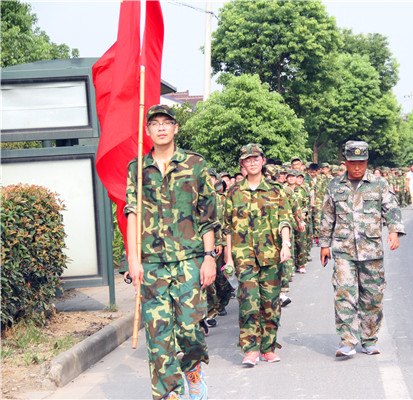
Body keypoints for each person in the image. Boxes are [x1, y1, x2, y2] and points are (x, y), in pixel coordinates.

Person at [125, 105, 217, 400]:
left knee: (190, 329)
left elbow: (207, 215)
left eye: (167, 122)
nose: (161, 127)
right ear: (148, 130)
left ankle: (193, 370)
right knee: (159, 336)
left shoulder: (195, 164)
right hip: (152, 264)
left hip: (190, 260)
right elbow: (132, 213)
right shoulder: (137, 168)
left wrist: (209, 257)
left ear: (176, 128)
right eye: (155, 123)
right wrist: (133, 260)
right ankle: (169, 394)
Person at [319, 140, 405, 358]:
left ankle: (369, 339)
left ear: (367, 162)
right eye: (353, 162)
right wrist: (324, 244)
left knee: (372, 296)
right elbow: (327, 216)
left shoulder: (379, 184)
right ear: (345, 163)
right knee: (344, 293)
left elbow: (391, 208)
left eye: (361, 163)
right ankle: (347, 341)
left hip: (371, 250)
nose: (357, 167)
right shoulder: (334, 185)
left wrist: (394, 231)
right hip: (343, 250)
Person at [223, 144, 293, 366]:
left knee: (270, 304)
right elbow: (227, 228)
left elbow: (285, 219)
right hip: (243, 256)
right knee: (248, 303)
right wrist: (228, 258)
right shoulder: (234, 192)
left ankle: (268, 348)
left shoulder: (276, 190)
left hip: (271, 255)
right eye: (248, 159)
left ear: (263, 161)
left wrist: (286, 244)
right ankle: (251, 349)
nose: (252, 162)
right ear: (242, 164)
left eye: (256, 158)